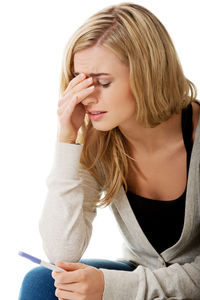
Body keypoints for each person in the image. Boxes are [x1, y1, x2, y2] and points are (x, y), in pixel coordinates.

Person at [18, 2, 200, 300]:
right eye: (81, 81)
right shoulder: (99, 141)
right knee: (43, 282)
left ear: (148, 74)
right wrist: (67, 138)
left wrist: (113, 287)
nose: (87, 97)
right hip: (142, 278)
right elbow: (62, 253)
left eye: (102, 82)